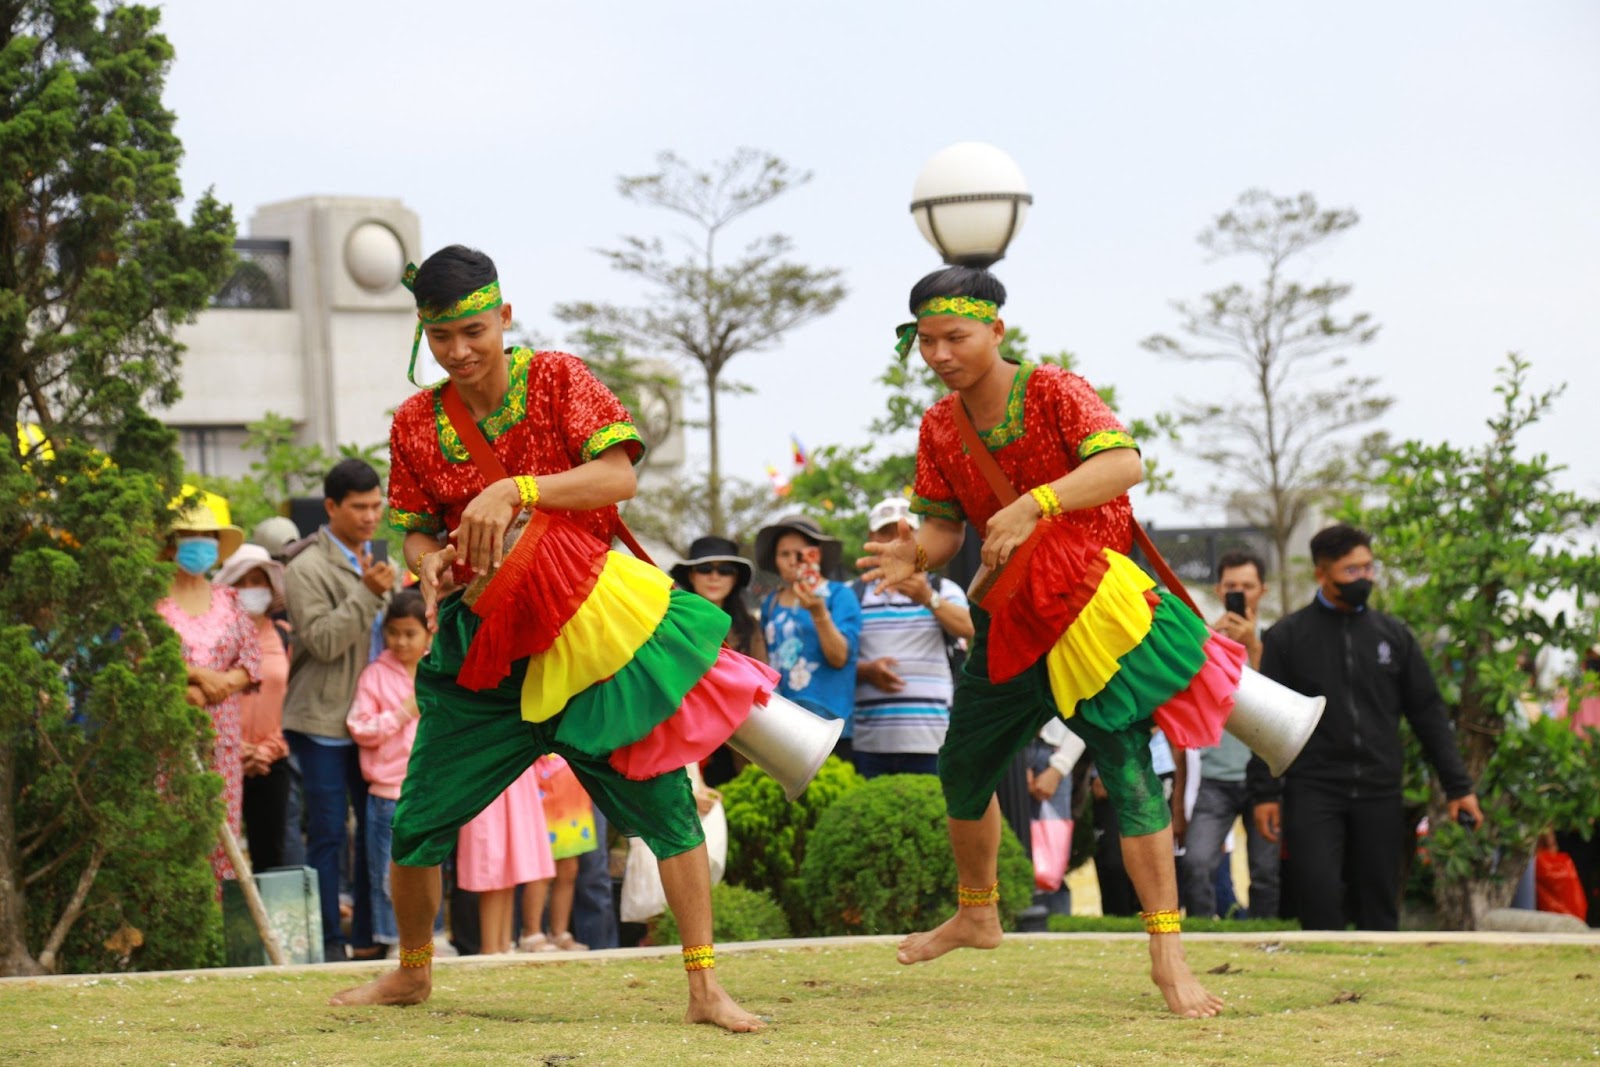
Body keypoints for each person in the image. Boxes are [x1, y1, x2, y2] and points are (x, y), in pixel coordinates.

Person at [330, 244, 774, 1032]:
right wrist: (432, 567)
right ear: (423, 336)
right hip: (483, 657)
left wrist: (519, 487)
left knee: (667, 809)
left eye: (473, 330)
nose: (459, 351)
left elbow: (618, 477)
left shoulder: (560, 379)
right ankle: (411, 972)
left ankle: (706, 988)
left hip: (592, 643)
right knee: (420, 819)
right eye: (440, 337)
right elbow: (416, 534)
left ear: (503, 316)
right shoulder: (415, 423)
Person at [859, 266, 1244, 1017]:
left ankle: (1168, 955)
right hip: (1009, 622)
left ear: (996, 331)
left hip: (1092, 616)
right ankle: (978, 911)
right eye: (927, 340)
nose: (939, 353)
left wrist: (1038, 502)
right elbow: (943, 523)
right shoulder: (940, 425)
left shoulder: (1056, 391)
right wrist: (919, 555)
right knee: (962, 766)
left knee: (1128, 774)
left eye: (955, 336)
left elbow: (1124, 463)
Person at [1248, 524, 1483, 931]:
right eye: (1351, 571)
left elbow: (1428, 715)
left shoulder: (1394, 637)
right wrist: (1264, 794)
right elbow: (1264, 723)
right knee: (1318, 899)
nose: (1365, 579)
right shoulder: (1287, 637)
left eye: (1369, 568)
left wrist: (1458, 788)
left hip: (1379, 788)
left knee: (1378, 904)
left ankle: (1380, 984)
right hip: (1314, 790)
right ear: (1322, 573)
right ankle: (1322, 989)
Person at [282, 458, 394, 962]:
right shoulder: (304, 567)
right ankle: (328, 943)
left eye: (377, 505)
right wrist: (368, 594)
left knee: (375, 830)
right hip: (323, 722)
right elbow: (324, 642)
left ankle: (369, 938)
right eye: (359, 507)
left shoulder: (379, 560)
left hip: (375, 724)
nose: (371, 516)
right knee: (328, 833)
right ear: (331, 508)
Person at [156, 505, 262, 888]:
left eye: (209, 537)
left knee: (223, 839)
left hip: (223, 741)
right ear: (171, 545)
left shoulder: (229, 600)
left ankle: (217, 935)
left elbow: (251, 661)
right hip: (166, 741)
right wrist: (196, 677)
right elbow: (140, 659)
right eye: (189, 536)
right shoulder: (153, 601)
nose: (200, 544)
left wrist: (222, 683)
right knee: (166, 834)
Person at [1176, 551, 1280, 920]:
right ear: (1219, 590)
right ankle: (1204, 938)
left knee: (1266, 873)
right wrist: (1212, 643)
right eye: (1232, 586)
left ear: (1262, 591)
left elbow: (1279, 702)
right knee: (1197, 864)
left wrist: (1253, 646)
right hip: (1215, 779)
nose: (1239, 593)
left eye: (1247, 587)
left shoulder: (1276, 639)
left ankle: (1267, 939)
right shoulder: (1203, 639)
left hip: (1263, 779)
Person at [851, 496, 972, 778]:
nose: (895, 541)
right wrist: (865, 670)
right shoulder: (853, 593)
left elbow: (971, 628)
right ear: (872, 537)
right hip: (870, 741)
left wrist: (927, 597)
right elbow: (836, 658)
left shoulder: (944, 588)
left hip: (933, 739)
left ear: (921, 537)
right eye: (886, 532)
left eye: (905, 532)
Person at [347, 590, 433, 955]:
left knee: (429, 868)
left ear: (429, 633)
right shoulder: (374, 675)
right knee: (388, 874)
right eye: (393, 632)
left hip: (429, 790)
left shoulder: (437, 672)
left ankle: (430, 938)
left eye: (410, 633)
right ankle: (394, 941)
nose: (400, 641)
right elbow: (360, 727)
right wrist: (402, 713)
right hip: (386, 794)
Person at [756, 514, 862, 755]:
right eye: (784, 554)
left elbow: (839, 658)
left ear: (817, 555)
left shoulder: (839, 596)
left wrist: (818, 611)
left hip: (829, 726)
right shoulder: (770, 603)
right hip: (782, 725)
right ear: (775, 560)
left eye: (801, 552)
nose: (793, 560)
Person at [215, 543, 292, 873]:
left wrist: (269, 749)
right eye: (241, 582)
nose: (250, 590)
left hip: (271, 760)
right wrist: (233, 749)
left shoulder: (286, 637)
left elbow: (295, 702)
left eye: (257, 581)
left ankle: (264, 926)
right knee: (217, 853)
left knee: (270, 856)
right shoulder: (212, 639)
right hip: (220, 757)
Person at [670, 535, 767, 786]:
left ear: (735, 578)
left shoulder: (750, 627)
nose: (714, 577)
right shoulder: (670, 623)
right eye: (704, 569)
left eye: (725, 570)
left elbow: (763, 688)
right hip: (684, 745)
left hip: (742, 744)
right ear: (691, 575)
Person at [519, 754, 597, 952]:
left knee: (569, 868)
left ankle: (559, 932)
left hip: (571, 786)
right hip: (540, 781)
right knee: (540, 868)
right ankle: (531, 933)